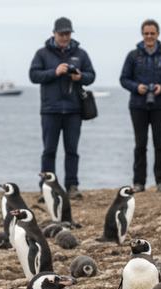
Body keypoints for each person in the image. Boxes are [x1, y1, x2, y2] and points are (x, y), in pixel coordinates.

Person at [29, 17, 95, 199]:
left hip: (74, 110)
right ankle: (47, 188)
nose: (65, 37)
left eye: (68, 34)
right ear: (54, 33)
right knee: (49, 151)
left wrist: (80, 77)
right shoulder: (42, 54)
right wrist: (55, 72)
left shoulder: (81, 54)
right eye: (62, 34)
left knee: (72, 151)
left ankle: (72, 187)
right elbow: (33, 75)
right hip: (50, 110)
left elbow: (91, 75)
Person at [119, 19, 161, 193]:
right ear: (142, 34)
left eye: (152, 33)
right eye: (146, 33)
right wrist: (136, 87)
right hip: (138, 105)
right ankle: (139, 182)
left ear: (158, 34)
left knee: (160, 144)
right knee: (140, 145)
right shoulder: (133, 56)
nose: (149, 36)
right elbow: (124, 79)